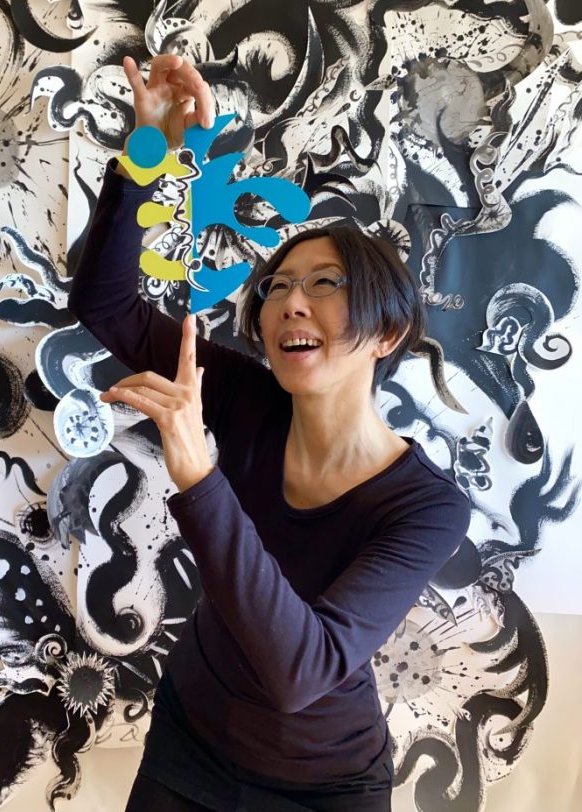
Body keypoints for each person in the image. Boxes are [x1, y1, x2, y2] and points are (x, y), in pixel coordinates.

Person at [67, 54, 471, 812]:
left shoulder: (427, 508)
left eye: (325, 285)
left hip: (325, 783)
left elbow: (301, 671)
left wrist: (198, 478)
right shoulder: (248, 397)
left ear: (387, 334)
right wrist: (147, 151)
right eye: (278, 287)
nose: (290, 302)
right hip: (190, 740)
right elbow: (106, 303)